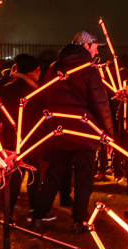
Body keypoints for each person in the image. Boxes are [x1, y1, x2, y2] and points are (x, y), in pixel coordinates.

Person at [30, 31, 113, 234]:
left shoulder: (54, 67)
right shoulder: (88, 69)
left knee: (53, 175)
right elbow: (101, 103)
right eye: (95, 46)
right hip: (84, 130)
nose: (97, 50)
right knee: (84, 177)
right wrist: (109, 133)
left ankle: (38, 217)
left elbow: (46, 94)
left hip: (59, 129)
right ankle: (79, 221)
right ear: (85, 46)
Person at [0, 54, 46, 218]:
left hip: (11, 138)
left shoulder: (8, 89)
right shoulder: (32, 92)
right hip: (30, 139)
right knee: (33, 175)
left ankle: (8, 212)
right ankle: (35, 211)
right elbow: (40, 116)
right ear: (33, 71)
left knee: (13, 176)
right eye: (38, 70)